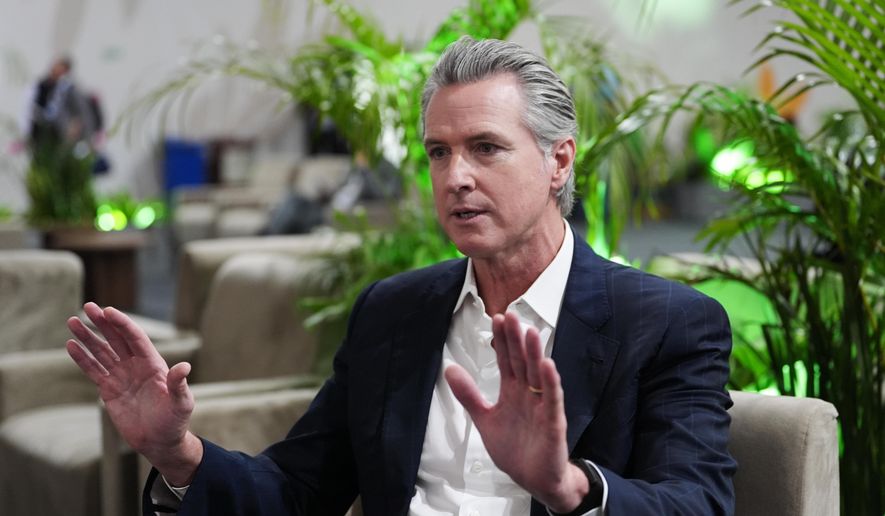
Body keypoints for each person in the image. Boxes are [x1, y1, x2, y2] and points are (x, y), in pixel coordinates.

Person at [66, 37, 735, 515]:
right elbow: (299, 490)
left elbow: (698, 503)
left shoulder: (667, 323)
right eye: (438, 153)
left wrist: (566, 487)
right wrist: (175, 449)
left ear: (558, 161)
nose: (456, 177)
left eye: (485, 148)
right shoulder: (395, 312)